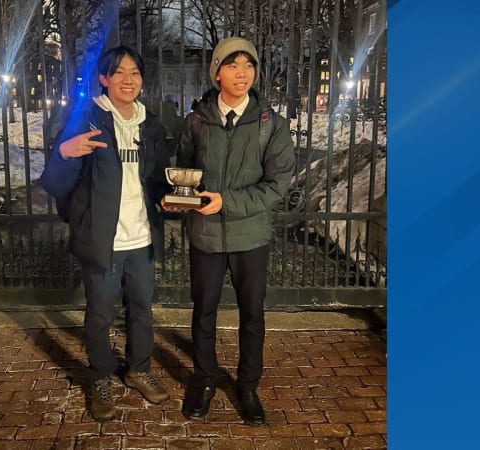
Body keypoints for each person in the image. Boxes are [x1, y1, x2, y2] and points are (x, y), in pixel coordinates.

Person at [164, 36, 295, 426]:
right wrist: (180, 199)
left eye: (249, 65)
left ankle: (248, 385)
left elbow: (277, 184)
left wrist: (228, 202)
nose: (243, 73)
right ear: (217, 73)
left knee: (252, 314)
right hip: (205, 234)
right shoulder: (197, 121)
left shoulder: (271, 125)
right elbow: (185, 170)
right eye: (233, 65)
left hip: (250, 236)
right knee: (203, 311)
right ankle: (204, 379)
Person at [41, 45, 173, 422]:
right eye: (119, 72)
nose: (128, 80)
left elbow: (157, 179)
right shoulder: (86, 120)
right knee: (99, 314)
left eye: (135, 73)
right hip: (103, 239)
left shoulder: (151, 125)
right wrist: (64, 153)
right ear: (104, 78)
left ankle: (138, 369)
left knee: (141, 309)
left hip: (141, 237)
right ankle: (100, 376)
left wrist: (167, 198)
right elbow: (54, 184)